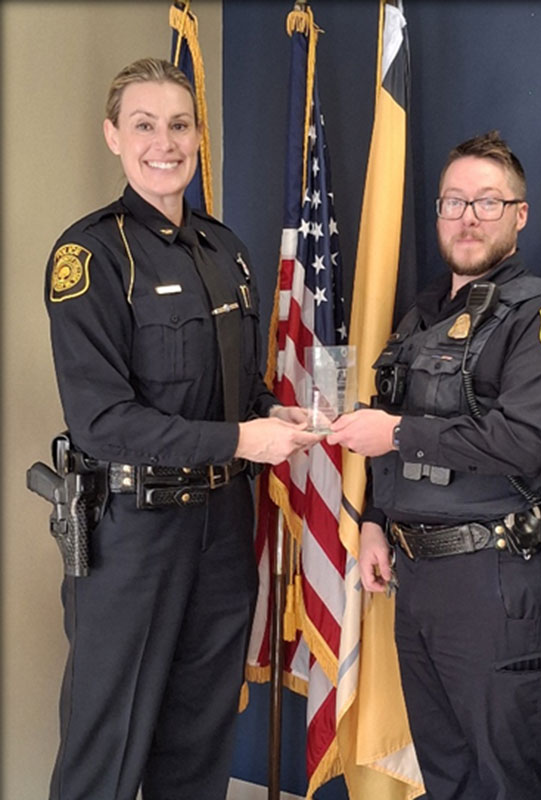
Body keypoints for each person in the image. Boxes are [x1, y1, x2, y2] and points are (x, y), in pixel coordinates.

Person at [44, 57, 319, 800]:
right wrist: (242, 441)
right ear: (113, 136)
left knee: (199, 744)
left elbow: (239, 390)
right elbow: (103, 423)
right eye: (144, 125)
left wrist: (269, 413)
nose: (163, 143)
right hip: (133, 533)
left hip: (222, 529)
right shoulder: (90, 256)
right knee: (106, 750)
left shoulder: (227, 252)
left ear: (198, 136)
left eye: (179, 125)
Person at [328, 131, 541, 800]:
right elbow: (398, 434)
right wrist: (376, 521)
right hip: (417, 578)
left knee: (506, 780)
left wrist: (395, 432)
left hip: (495, 583)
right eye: (454, 202)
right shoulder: (420, 319)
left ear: (519, 215)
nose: (468, 218)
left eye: (487, 202)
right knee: (446, 775)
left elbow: (524, 440)